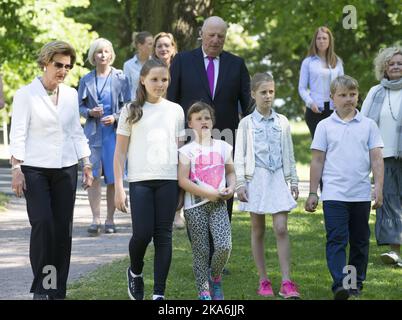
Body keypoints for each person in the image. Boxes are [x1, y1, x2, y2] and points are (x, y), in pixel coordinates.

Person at [9, 41, 93, 300]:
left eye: (67, 67)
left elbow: (76, 132)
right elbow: (18, 133)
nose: (63, 71)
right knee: (43, 225)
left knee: (62, 231)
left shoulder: (70, 94)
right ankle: (43, 287)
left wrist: (86, 163)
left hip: (65, 169)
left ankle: (57, 291)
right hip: (34, 169)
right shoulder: (26, 94)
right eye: (58, 65)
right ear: (45, 62)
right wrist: (16, 168)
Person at [305, 75, 384, 300]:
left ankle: (354, 283)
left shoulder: (369, 125)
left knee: (359, 242)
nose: (348, 99)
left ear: (358, 96)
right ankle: (340, 284)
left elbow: (377, 159)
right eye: (342, 95)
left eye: (352, 94)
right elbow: (317, 160)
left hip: (360, 194)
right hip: (334, 194)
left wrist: (378, 188)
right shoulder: (324, 126)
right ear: (332, 98)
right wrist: (312, 192)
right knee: (337, 239)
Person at [114, 59, 185, 300]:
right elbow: (120, 152)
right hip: (140, 181)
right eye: (154, 79)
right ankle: (135, 272)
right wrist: (119, 188)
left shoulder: (176, 110)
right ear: (142, 80)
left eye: (164, 79)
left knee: (163, 236)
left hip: (168, 180)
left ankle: (158, 294)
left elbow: (180, 151)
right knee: (142, 234)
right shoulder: (130, 110)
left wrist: (182, 187)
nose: (160, 84)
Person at [168, 16, 250, 223]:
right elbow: (171, 102)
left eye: (220, 36)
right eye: (211, 35)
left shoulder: (237, 64)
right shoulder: (182, 61)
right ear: (201, 35)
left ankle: (220, 243)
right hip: (190, 142)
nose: (215, 40)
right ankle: (200, 247)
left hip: (225, 139)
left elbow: (248, 105)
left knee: (223, 196)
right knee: (194, 202)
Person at [234, 72, 300, 299]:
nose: (268, 96)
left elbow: (289, 153)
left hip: (278, 178)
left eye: (271, 92)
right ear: (253, 94)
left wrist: (292, 180)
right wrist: (241, 183)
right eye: (263, 92)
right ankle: (263, 280)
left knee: (281, 228)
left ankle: (286, 281)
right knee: (258, 229)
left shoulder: (282, 122)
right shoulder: (246, 123)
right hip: (257, 179)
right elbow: (239, 156)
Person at [178, 102, 235, 300]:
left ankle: (215, 276)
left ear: (213, 122)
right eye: (199, 118)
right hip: (195, 208)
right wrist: (206, 193)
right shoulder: (187, 151)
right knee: (201, 250)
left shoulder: (223, 146)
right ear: (190, 123)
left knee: (224, 245)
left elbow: (231, 172)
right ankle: (204, 291)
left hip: (219, 204)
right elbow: (183, 180)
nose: (203, 121)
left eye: (207, 118)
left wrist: (232, 187)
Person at [78, 38, 131, 235]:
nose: (103, 55)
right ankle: (95, 219)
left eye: (106, 51)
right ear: (93, 55)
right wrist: (90, 112)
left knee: (112, 177)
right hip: (92, 134)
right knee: (92, 176)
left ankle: (110, 219)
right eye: (99, 52)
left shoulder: (121, 77)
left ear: (111, 54)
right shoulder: (86, 79)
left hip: (114, 134)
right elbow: (79, 107)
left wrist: (115, 117)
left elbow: (129, 105)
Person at [361, 46, 402, 267]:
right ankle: (394, 252)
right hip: (383, 157)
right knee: (388, 201)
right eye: (391, 63)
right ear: (384, 67)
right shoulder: (376, 92)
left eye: (399, 63)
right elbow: (364, 122)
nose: (396, 66)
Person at [152, 32, 184, 229]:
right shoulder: (150, 69)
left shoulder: (182, 66)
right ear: (155, 50)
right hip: (156, 121)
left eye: (167, 45)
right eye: (159, 46)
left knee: (179, 163)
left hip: (177, 119)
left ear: (173, 47)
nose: (163, 49)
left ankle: (177, 212)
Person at [298, 26, 344, 138]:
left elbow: (343, 86)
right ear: (315, 41)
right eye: (319, 38)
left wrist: (341, 104)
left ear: (329, 41)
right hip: (315, 111)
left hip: (334, 110)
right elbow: (302, 88)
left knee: (334, 146)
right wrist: (310, 103)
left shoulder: (337, 61)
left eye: (324, 38)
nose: (321, 41)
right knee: (319, 147)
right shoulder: (308, 62)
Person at [123, 31, 153, 100]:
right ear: (140, 46)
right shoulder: (128, 65)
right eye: (150, 44)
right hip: (135, 105)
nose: (153, 46)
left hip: (153, 105)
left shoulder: (155, 63)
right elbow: (126, 90)